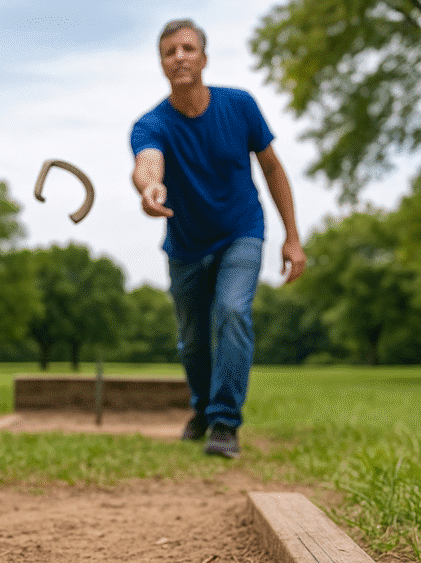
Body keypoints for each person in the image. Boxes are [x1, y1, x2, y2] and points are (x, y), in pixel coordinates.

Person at [130, 19, 306, 458]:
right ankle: (203, 409)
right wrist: (149, 188)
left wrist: (293, 237)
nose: (180, 57)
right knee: (191, 340)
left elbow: (272, 168)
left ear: (204, 58)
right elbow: (147, 162)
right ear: (161, 64)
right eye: (170, 52)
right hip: (186, 244)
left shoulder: (239, 105)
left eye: (188, 48)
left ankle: (224, 423)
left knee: (230, 311)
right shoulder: (152, 123)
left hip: (240, 231)